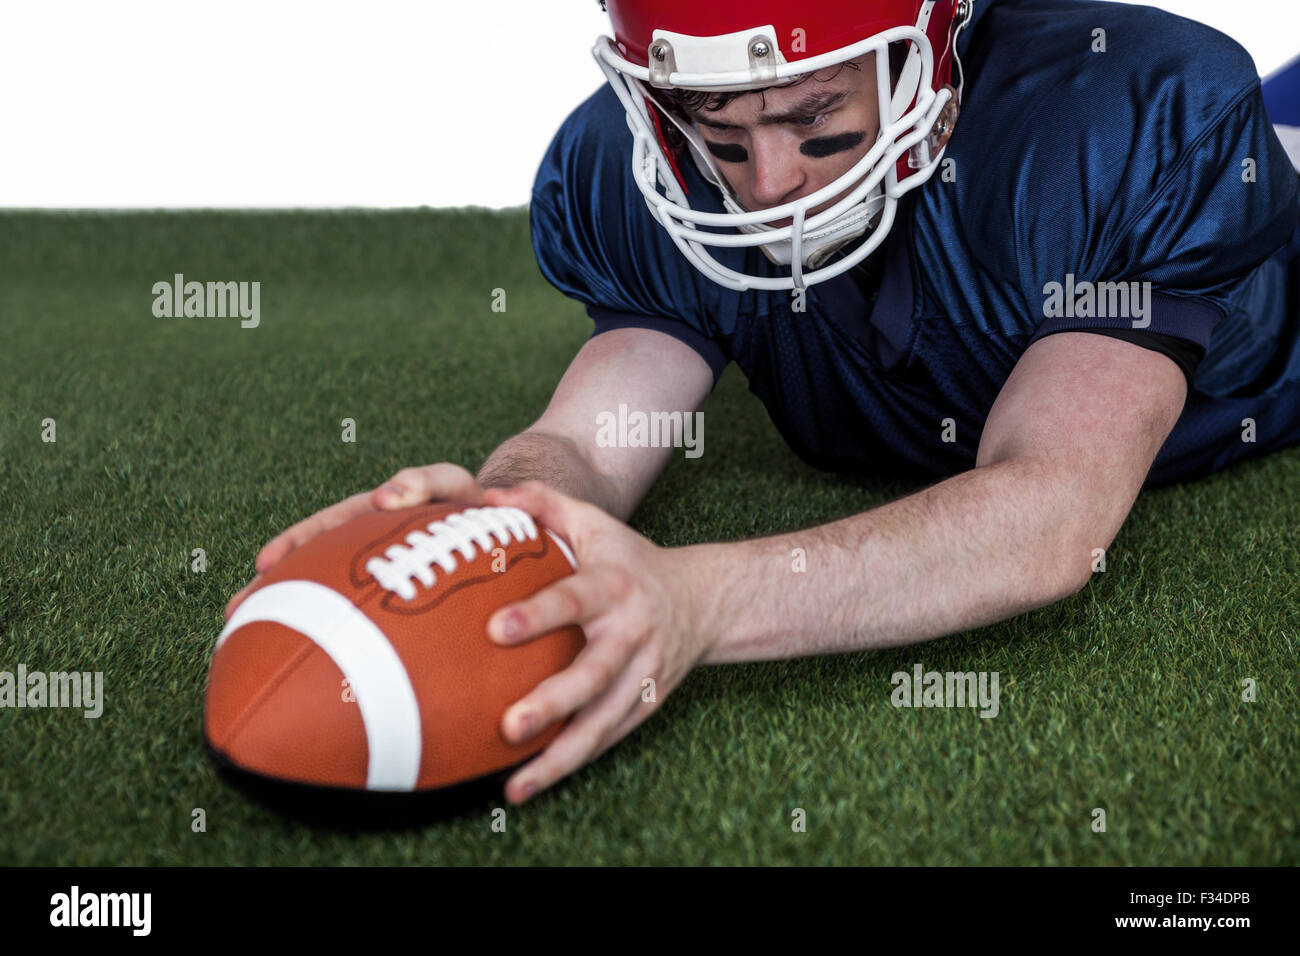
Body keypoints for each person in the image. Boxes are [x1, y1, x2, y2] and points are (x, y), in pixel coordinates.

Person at [227, 0, 1300, 804]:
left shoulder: (1128, 117)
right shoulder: (634, 168)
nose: (770, 185)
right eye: (722, 135)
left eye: (815, 123)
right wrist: (513, 508)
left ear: (927, 59)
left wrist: (701, 598)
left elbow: (1051, 509)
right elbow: (585, 444)